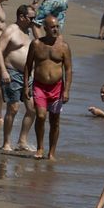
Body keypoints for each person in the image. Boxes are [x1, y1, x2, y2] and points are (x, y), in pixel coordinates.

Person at [23, 15, 72, 160]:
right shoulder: (36, 44)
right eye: (52, 27)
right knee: (40, 116)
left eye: (57, 26)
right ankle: (40, 148)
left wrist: (67, 90)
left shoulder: (64, 47)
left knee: (55, 120)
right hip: (39, 86)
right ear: (45, 28)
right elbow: (28, 65)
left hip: (57, 88)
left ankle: (51, 152)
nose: (56, 29)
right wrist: (26, 85)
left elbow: (68, 70)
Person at [0, 6, 37, 153]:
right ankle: (6, 142)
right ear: (21, 17)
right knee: (13, 108)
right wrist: (4, 71)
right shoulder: (11, 30)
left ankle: (22, 141)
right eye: (31, 18)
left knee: (33, 109)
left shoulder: (29, 31)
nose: (33, 20)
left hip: (27, 76)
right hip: (12, 72)